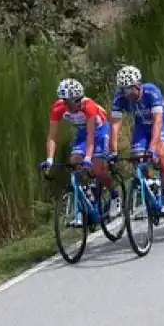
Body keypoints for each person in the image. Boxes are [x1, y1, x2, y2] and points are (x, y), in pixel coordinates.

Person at [43, 78, 118, 220]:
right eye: (67, 102)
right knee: (74, 161)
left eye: (74, 101)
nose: (71, 106)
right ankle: (88, 192)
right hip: (83, 133)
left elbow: (92, 135)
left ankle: (115, 195)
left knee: (96, 168)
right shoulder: (58, 108)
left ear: (80, 98)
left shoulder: (88, 106)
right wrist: (49, 159)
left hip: (100, 131)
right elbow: (52, 136)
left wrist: (88, 158)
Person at [111, 66, 164, 215]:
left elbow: (158, 120)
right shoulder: (119, 97)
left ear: (138, 85)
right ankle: (149, 184)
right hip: (142, 126)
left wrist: (153, 146)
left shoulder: (151, 92)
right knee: (137, 157)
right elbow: (115, 124)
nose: (126, 94)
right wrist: (113, 150)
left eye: (129, 90)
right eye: (123, 90)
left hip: (161, 122)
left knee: (160, 153)